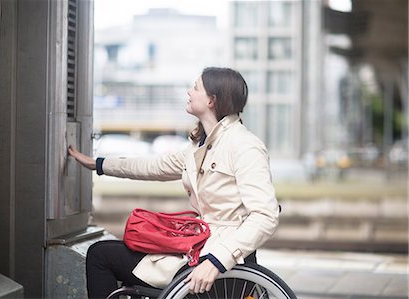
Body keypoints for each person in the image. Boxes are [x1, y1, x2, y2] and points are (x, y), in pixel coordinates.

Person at [68, 67, 280, 299]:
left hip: (220, 260)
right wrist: (98, 164)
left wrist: (219, 260)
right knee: (101, 252)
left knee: (101, 257)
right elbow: (152, 166)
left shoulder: (244, 145)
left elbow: (265, 215)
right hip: (199, 247)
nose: (189, 92)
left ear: (212, 100)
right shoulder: (200, 146)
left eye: (195, 87)